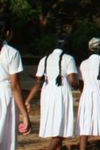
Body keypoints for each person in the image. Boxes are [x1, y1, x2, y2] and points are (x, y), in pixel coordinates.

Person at [25, 36, 79, 150]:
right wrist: (80, 84)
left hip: (47, 95)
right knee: (61, 131)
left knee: (56, 129)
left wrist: (27, 100)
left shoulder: (44, 59)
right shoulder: (69, 59)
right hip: (61, 94)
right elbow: (73, 81)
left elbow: (37, 83)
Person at [0, 16, 31, 150]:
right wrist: (25, 114)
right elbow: (15, 86)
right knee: (6, 141)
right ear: (8, 33)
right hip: (5, 97)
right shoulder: (11, 53)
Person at [77, 38, 100, 150]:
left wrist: (84, 96)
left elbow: (81, 84)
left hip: (86, 96)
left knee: (84, 128)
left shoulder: (83, 63)